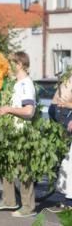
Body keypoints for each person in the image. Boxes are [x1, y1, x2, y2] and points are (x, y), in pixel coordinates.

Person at [0, 51, 36, 217]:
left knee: (24, 172)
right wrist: (1, 110)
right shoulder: (16, 84)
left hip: (22, 133)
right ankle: (9, 201)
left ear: (19, 65)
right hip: (11, 132)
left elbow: (29, 111)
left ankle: (28, 207)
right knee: (6, 166)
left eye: (11, 64)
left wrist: (8, 109)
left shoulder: (26, 84)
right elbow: (13, 108)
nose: (8, 67)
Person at [48, 74, 72, 209]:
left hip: (67, 112)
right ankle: (68, 197)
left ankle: (70, 200)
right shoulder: (68, 74)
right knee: (66, 161)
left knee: (70, 162)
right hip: (59, 111)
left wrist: (67, 104)